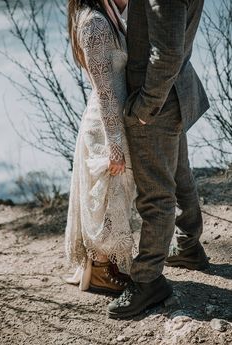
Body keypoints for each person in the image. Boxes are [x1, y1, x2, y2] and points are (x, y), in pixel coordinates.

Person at [108, 0, 210, 319]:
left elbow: (166, 54)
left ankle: (148, 280)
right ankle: (189, 246)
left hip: (156, 103)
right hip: (176, 93)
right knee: (180, 178)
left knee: (156, 196)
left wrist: (144, 109)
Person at [65, 0, 140, 294]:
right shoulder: (95, 23)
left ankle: (104, 267)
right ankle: (98, 273)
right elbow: (105, 90)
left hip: (112, 122)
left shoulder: (103, 15)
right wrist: (115, 144)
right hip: (105, 127)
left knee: (113, 199)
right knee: (108, 198)